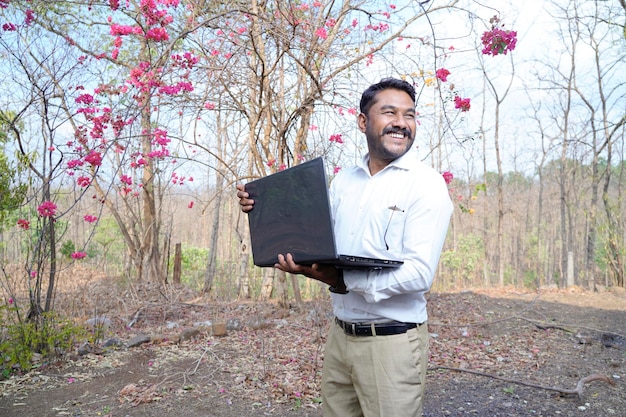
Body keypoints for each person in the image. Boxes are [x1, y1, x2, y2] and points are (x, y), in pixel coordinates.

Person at [236, 78, 453, 417]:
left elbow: (418, 275)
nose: (401, 122)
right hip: (340, 336)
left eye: (409, 115)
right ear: (364, 122)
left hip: (392, 343)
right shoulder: (344, 181)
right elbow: (319, 239)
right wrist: (265, 210)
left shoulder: (426, 184)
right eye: (389, 112)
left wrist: (341, 281)